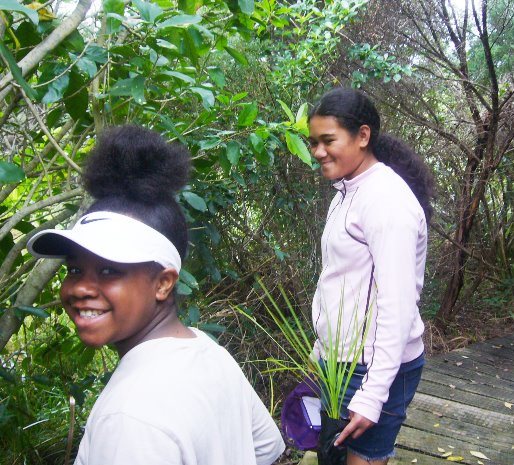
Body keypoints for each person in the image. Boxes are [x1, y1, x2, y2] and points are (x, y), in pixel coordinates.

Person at [27, 125, 285, 465]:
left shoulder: (130, 419)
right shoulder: (207, 352)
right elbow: (266, 446)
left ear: (163, 283)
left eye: (109, 270)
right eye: (74, 270)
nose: (80, 288)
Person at [308, 88, 434, 465]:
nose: (318, 151)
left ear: (363, 136)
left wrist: (373, 394)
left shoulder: (386, 200)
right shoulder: (346, 192)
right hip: (341, 362)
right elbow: (340, 281)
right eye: (313, 142)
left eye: (328, 140)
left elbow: (397, 305)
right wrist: (322, 350)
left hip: (373, 369)